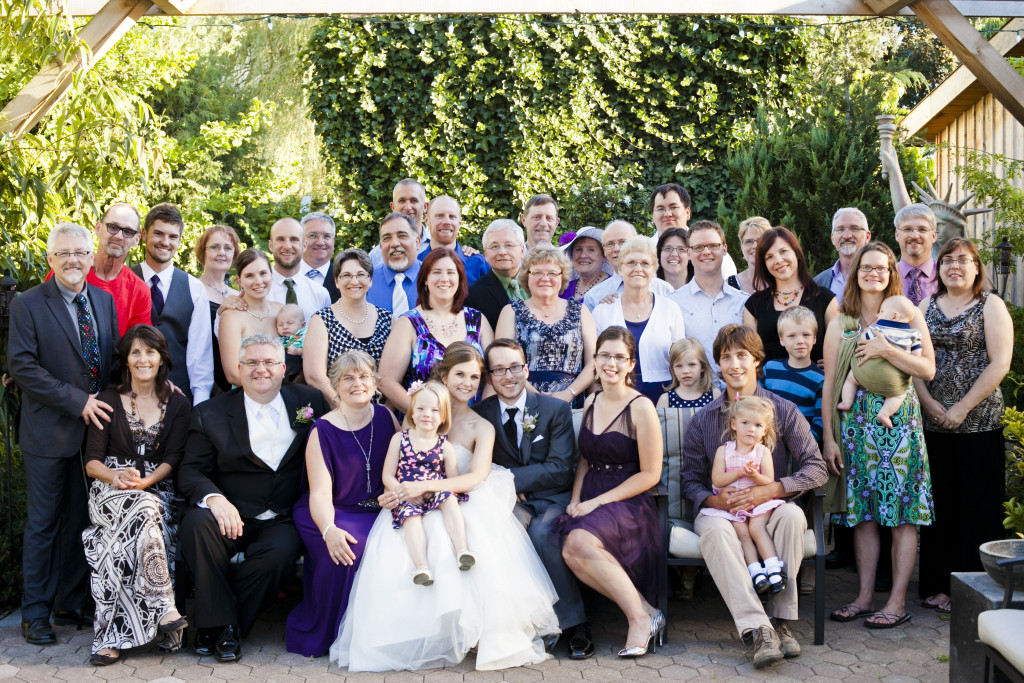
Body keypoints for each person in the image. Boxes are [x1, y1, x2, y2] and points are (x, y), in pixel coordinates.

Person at [336, 342, 560, 670]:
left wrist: (425, 487)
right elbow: (400, 466)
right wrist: (396, 492)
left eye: (474, 376)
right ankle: (423, 633)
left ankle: (476, 630)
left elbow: (475, 477)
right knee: (413, 539)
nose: (467, 382)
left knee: (464, 540)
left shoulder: (482, 425)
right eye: (459, 374)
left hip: (461, 498)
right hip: (412, 502)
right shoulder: (419, 415)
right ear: (443, 374)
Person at [681, 324, 827, 668]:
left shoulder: (782, 410)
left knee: (793, 516)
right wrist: (716, 501)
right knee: (715, 532)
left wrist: (771, 489)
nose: (734, 364)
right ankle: (757, 628)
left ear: (757, 360)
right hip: (721, 512)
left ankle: (782, 621)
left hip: (769, 507)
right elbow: (689, 480)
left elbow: (816, 468)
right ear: (718, 364)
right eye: (726, 357)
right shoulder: (704, 420)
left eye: (742, 355)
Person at [176, 334, 328, 662]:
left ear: (283, 368)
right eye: (253, 363)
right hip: (230, 513)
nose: (262, 369)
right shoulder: (209, 413)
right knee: (196, 524)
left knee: (278, 557)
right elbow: (189, 472)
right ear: (239, 368)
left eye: (269, 362)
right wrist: (214, 498)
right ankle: (226, 629)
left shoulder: (310, 401)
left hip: (283, 516)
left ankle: (214, 625)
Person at [8, 223, 120, 646]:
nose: (73, 260)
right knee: (43, 525)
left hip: (94, 436)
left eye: (80, 253)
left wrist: (159, 383)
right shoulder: (29, 304)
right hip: (48, 434)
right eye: (64, 253)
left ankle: (70, 604)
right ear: (51, 259)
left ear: (91, 258)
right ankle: (35, 613)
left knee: (81, 519)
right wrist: (77, 401)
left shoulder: (104, 302)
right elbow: (23, 366)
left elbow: (111, 362)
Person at [822, 242, 935, 630]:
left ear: (891, 274)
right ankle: (865, 596)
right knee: (864, 515)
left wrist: (888, 349)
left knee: (903, 516)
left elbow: (927, 369)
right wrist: (829, 439)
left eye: (882, 268)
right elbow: (831, 384)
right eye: (866, 268)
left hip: (899, 422)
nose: (873, 274)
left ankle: (898, 602)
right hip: (855, 426)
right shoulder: (842, 320)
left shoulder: (908, 313)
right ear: (856, 274)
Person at [473, 339, 591, 659]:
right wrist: (507, 486)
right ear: (489, 377)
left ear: (526, 369)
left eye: (514, 367)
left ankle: (575, 623)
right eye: (499, 369)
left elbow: (560, 468)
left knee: (544, 533)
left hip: (554, 498)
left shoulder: (555, 409)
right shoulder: (480, 414)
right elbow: (480, 463)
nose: (508, 376)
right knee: (505, 532)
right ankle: (525, 625)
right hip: (511, 502)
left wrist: (509, 479)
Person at [82, 324, 191, 665]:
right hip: (109, 491)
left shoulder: (177, 403)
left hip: (156, 488)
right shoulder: (107, 399)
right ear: (126, 360)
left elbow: (173, 458)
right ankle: (165, 609)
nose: (143, 359)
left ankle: (109, 638)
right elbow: (91, 463)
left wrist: (146, 482)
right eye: (136, 352)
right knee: (144, 509)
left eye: (150, 352)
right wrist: (117, 477)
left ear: (162, 359)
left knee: (115, 546)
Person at [915, 238, 1012, 614]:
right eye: (947, 261)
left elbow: (999, 363)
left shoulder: (991, 305)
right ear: (938, 270)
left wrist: (962, 408)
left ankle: (973, 591)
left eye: (963, 260)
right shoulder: (926, 305)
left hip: (979, 424)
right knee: (941, 508)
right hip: (933, 421)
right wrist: (930, 404)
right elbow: (914, 359)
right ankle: (939, 585)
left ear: (976, 267)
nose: (955, 266)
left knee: (978, 507)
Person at [556, 327, 664, 657]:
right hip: (590, 495)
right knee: (568, 548)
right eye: (605, 356)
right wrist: (576, 500)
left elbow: (651, 474)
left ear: (632, 364)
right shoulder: (590, 400)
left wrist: (596, 502)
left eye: (619, 357)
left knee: (578, 542)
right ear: (595, 360)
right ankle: (648, 610)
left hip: (628, 500)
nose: (611, 363)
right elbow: (585, 461)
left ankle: (638, 620)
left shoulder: (641, 407)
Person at [286, 350, 398, 657]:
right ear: (335, 386)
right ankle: (333, 632)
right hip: (330, 511)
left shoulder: (387, 417)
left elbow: (401, 468)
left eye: (363, 376)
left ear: (375, 382)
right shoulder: (321, 430)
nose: (356, 383)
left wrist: (397, 493)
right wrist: (329, 530)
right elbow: (320, 493)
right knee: (351, 548)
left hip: (378, 508)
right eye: (347, 378)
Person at [379, 248, 494, 413]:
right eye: (437, 272)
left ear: (460, 279)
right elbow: (387, 381)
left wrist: (477, 418)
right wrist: (426, 416)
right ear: (425, 279)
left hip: (472, 424)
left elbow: (494, 374)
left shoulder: (477, 320)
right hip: (424, 427)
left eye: (450, 272)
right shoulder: (409, 323)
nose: (444, 279)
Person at [384, 381, 473, 585]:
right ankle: (422, 567)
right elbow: (387, 475)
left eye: (434, 410)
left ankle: (462, 550)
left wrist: (435, 489)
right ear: (412, 413)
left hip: (435, 492)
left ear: (443, 416)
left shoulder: (445, 446)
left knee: (449, 500)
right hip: (407, 495)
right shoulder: (400, 439)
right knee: (410, 518)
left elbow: (453, 480)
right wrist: (402, 493)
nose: (427, 414)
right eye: (421, 408)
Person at [698, 396, 787, 595]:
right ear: (734, 425)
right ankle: (756, 571)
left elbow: (769, 480)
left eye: (757, 425)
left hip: (758, 505)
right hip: (732, 506)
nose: (751, 429)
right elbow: (717, 481)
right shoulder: (724, 451)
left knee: (756, 527)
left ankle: (773, 568)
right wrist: (739, 473)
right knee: (742, 533)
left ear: (764, 431)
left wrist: (754, 476)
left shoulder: (762, 452)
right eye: (745, 423)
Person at [133, 203, 214, 405]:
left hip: (178, 397)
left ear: (179, 240)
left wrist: (199, 405)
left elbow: (200, 354)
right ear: (144, 234)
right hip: (129, 395)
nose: (165, 242)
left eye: (172, 237)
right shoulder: (126, 279)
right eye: (158, 234)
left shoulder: (194, 288)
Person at [495, 245, 596, 406]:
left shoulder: (580, 310)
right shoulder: (511, 312)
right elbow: (501, 361)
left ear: (562, 277)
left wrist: (568, 394)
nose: (545, 278)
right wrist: (535, 396)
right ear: (526, 276)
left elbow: (594, 361)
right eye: (537, 272)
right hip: (523, 401)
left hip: (572, 401)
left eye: (552, 273)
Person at [592, 237, 685, 404]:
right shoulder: (603, 311)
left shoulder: (670, 308)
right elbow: (594, 363)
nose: (638, 268)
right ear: (620, 269)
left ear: (654, 269)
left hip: (663, 396)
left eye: (645, 263)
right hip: (614, 396)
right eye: (631, 263)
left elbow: (680, 358)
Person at [304, 249, 392, 409]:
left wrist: (384, 414)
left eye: (360, 274)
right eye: (346, 275)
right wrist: (346, 409)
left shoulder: (388, 319)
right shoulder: (322, 320)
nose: (354, 281)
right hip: (338, 412)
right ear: (337, 281)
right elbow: (315, 376)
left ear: (370, 280)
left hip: (382, 413)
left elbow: (393, 377)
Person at [743, 226, 838, 364]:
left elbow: (840, 347)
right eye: (769, 256)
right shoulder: (753, 305)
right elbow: (750, 357)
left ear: (796, 253)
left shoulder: (825, 298)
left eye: (783, 251)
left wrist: (832, 364)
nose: (778, 260)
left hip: (816, 383)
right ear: (764, 264)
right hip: (768, 384)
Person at [669, 220, 748, 380]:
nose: (706, 252)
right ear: (688, 253)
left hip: (737, 396)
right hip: (694, 396)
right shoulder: (673, 303)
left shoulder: (744, 302)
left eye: (713, 246)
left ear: (724, 250)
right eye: (698, 247)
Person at [837, 294, 922, 429]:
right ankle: (885, 413)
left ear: (894, 316)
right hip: (895, 378)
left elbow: (864, 341)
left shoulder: (877, 329)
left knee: (851, 379)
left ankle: (846, 401)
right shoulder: (914, 334)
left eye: (882, 312)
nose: (878, 314)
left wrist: (865, 332)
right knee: (899, 395)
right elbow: (916, 356)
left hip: (869, 371)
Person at [66, 202, 152, 336]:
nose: (119, 236)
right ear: (98, 228)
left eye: (128, 232)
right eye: (113, 227)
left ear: (136, 240)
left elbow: (139, 345)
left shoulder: (139, 291)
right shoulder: (69, 269)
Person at [217, 249, 282, 387]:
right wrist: (271, 389)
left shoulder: (281, 310)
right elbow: (233, 374)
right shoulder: (231, 317)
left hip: (285, 391)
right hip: (247, 395)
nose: (258, 281)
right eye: (249, 276)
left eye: (263, 273)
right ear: (239, 281)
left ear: (271, 274)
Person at [763, 306, 825, 444]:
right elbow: (758, 405)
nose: (800, 341)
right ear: (782, 340)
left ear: (814, 338)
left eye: (806, 335)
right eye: (792, 336)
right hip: (768, 443)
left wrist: (800, 445)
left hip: (802, 448)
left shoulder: (820, 379)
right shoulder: (770, 369)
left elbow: (819, 422)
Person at [647, 183, 737, 276]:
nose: (667, 214)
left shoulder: (713, 253)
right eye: (660, 209)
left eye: (673, 207)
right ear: (653, 216)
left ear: (687, 212)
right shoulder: (644, 252)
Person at [583, 221, 673, 311]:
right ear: (604, 250)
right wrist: (603, 310)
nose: (616, 249)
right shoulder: (593, 297)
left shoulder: (664, 290)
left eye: (623, 242)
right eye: (610, 244)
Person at [195, 224, 241, 394]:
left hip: (237, 384)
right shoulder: (192, 290)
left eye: (228, 248)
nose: (222, 252)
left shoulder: (240, 294)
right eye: (215, 247)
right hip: (204, 384)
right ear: (203, 252)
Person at [465, 218, 527, 330]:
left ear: (522, 251)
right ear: (486, 254)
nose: (502, 252)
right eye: (495, 246)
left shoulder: (538, 284)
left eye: (509, 245)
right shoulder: (473, 295)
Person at [266, 218, 332, 321]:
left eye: (294, 239)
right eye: (280, 239)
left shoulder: (320, 294)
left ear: (304, 245)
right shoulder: (257, 290)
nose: (287, 246)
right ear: (271, 245)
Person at [420, 196, 490, 285]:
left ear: (460, 222)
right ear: (427, 220)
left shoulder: (479, 264)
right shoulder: (416, 264)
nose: (447, 222)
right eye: (440, 216)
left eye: (452, 216)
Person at [366, 212, 423, 315]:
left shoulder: (433, 277)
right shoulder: (366, 280)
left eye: (402, 236)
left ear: (417, 242)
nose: (394, 244)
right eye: (387, 238)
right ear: (381, 246)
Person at [813, 208, 872, 304]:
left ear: (867, 236)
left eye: (854, 228)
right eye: (840, 229)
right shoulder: (818, 282)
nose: (847, 236)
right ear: (833, 238)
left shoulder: (879, 277)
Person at [369, 178, 432, 267]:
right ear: (393, 207)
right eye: (402, 201)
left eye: (414, 200)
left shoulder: (438, 248)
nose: (408, 207)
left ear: (425, 206)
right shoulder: (376, 256)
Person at [894, 204, 939, 306]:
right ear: (897, 235)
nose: (914, 236)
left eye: (922, 229)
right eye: (907, 229)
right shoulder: (885, 276)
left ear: (933, 236)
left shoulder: (945, 276)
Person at [656, 338, 719, 410]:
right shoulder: (665, 400)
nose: (685, 371)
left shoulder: (715, 395)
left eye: (692, 364)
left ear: (702, 366)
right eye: (679, 366)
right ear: (673, 370)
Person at [562, 226, 612, 301]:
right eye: (578, 249)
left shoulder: (613, 287)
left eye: (591, 250)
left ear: (603, 256)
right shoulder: (564, 288)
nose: (583, 255)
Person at [299, 212, 340, 302]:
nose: (320, 242)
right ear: (300, 239)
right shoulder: (285, 276)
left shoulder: (344, 281)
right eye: (313, 235)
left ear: (333, 241)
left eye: (326, 236)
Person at [728, 216, 771, 294]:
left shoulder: (783, 280)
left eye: (760, 241)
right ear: (742, 246)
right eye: (748, 241)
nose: (755, 246)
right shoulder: (729, 285)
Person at [656, 227, 689, 291]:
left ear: (690, 254)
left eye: (681, 249)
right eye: (668, 248)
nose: (674, 254)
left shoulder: (702, 290)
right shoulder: (650, 291)